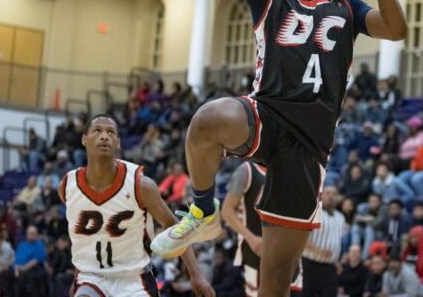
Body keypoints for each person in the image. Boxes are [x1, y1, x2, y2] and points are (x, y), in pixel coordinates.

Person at [151, 0, 407, 297]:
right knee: (207, 120)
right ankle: (203, 212)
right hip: (264, 114)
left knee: (273, 281)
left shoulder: (347, 10)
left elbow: (396, 29)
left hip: (309, 147)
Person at [60, 115, 213, 297]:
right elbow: (83, 241)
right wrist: (78, 278)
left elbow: (175, 227)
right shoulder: (67, 186)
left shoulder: (141, 185)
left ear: (118, 142)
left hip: (134, 278)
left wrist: (196, 274)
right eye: (97, 131)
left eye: (111, 132)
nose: (104, 136)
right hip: (91, 278)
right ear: (84, 139)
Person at [221, 161, 301, 297]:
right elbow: (227, 210)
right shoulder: (248, 170)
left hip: (288, 255)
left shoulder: (292, 172)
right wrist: (251, 238)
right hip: (257, 251)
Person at [301, 186, 345, 296]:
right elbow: (301, 239)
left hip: (329, 267)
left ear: (338, 198)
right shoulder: (313, 213)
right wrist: (318, 250)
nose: (331, 196)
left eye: (334, 194)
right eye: (328, 193)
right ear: (321, 195)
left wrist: (336, 261)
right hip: (310, 265)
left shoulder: (341, 217)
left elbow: (335, 242)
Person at [0, 225, 46, 297]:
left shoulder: (39, 246)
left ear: (36, 235)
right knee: (3, 274)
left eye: (32, 233)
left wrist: (23, 268)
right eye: (29, 233)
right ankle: (8, 294)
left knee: (21, 276)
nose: (30, 235)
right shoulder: (22, 244)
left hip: (31, 269)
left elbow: (35, 261)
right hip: (17, 267)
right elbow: (16, 258)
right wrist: (14, 267)